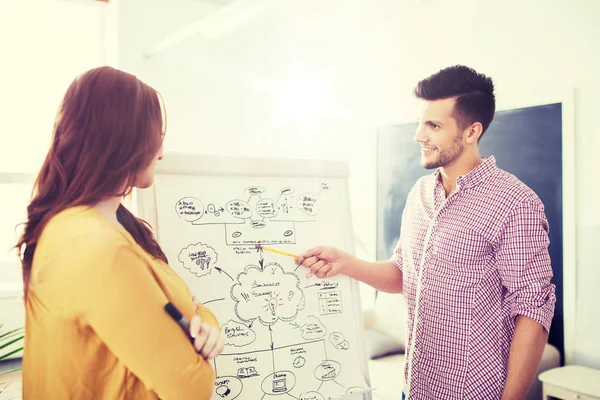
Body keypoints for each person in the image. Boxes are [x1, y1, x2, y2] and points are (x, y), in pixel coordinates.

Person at [295, 65, 556, 400]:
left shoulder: (515, 203)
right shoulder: (419, 194)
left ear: (471, 131)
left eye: (434, 125)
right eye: (421, 122)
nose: (419, 135)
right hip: (414, 388)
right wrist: (344, 262)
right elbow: (404, 274)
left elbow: (533, 308)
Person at [15, 66, 223, 399]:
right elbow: (191, 387)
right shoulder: (100, 250)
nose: (162, 151)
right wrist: (202, 315)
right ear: (127, 140)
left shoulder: (84, 228)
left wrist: (202, 321)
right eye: (157, 135)